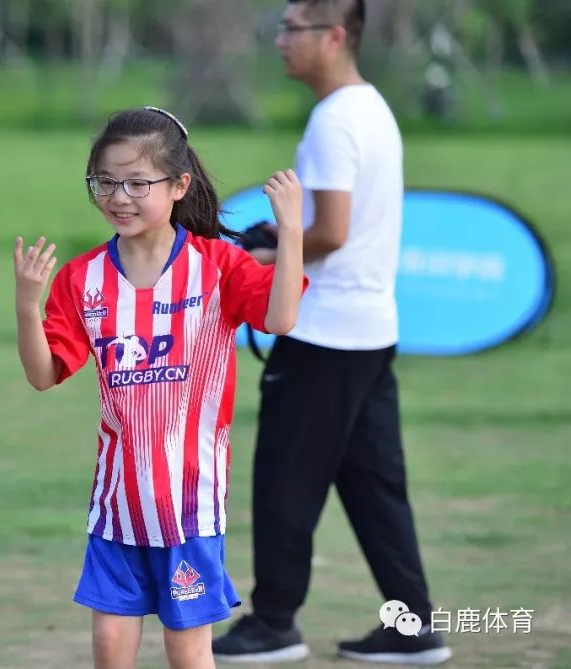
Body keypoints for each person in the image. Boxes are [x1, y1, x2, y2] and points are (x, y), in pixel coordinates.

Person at [13, 105, 306, 669]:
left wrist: (290, 231)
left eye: (137, 183)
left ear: (178, 186)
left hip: (189, 506)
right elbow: (43, 374)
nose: (119, 197)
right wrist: (28, 307)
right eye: (105, 182)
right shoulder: (82, 278)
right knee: (109, 645)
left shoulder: (216, 266)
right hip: (115, 506)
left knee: (187, 649)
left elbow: (281, 317)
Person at [211, 1, 451, 665]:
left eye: (293, 29)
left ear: (335, 36)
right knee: (376, 486)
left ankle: (273, 623)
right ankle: (413, 624)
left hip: (324, 333)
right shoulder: (371, 109)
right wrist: (281, 238)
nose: (280, 40)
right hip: (370, 329)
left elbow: (331, 232)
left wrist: (272, 248)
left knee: (284, 477)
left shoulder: (333, 121)